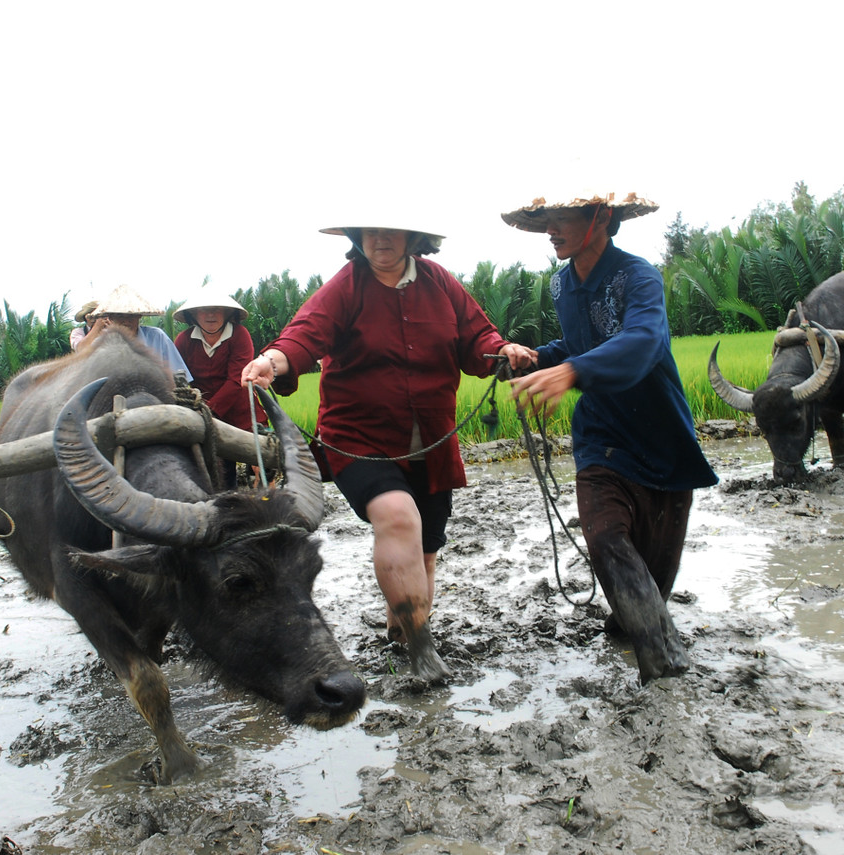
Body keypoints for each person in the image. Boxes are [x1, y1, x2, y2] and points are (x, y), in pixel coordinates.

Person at [240, 219, 532, 681]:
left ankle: (402, 632)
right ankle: (421, 648)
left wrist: (503, 350)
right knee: (398, 518)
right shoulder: (346, 287)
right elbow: (304, 335)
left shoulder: (441, 284)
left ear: (414, 238)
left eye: (391, 232)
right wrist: (270, 361)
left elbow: (478, 338)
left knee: (425, 550)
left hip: (431, 440)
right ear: (357, 238)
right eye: (369, 232)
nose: (379, 240)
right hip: (359, 438)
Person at [501, 190, 718, 683]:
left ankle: (631, 630)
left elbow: (643, 341)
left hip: (660, 438)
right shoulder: (561, 284)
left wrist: (571, 371)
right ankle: (665, 669)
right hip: (601, 437)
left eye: (561, 218)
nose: (551, 230)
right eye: (546, 220)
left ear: (600, 216)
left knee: (651, 585)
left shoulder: (638, 276)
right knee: (605, 538)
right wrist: (538, 358)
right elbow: (577, 343)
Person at [174, 288, 267, 432]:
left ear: (227, 313)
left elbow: (236, 380)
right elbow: (177, 379)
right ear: (193, 314)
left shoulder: (239, 335)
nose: (210, 314)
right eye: (204, 309)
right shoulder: (184, 340)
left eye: (216, 309)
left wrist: (208, 411)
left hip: (243, 418)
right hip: (202, 417)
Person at [80, 284, 193, 381]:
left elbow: (179, 375)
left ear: (139, 316)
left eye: (131, 316)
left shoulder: (157, 337)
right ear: (110, 318)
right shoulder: (101, 343)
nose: (126, 321)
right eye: (119, 316)